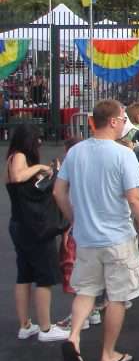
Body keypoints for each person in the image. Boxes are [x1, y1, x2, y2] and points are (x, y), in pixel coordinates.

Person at [54, 100, 139, 361]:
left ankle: (74, 337)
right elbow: (135, 199)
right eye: (123, 118)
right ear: (112, 121)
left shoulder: (76, 152)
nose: (126, 122)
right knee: (118, 296)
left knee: (86, 290)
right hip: (117, 237)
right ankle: (108, 352)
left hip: (87, 236)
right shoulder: (124, 155)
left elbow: (58, 191)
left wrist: (74, 219)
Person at [7, 122, 68, 342]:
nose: (40, 142)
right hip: (33, 227)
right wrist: (41, 168)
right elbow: (17, 177)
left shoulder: (15, 157)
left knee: (25, 274)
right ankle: (45, 328)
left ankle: (26, 325)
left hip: (21, 224)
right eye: (37, 138)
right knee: (44, 276)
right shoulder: (19, 156)